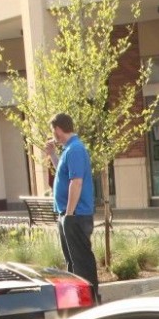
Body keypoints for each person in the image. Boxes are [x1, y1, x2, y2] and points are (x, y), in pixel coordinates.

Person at [49, 113, 98, 295]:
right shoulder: (68, 149)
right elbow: (63, 175)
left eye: (53, 131)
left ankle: (89, 298)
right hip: (69, 214)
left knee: (81, 261)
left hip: (76, 215)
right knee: (72, 261)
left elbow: (76, 182)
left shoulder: (75, 149)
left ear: (58, 129)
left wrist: (69, 214)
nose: (53, 135)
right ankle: (77, 297)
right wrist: (52, 154)